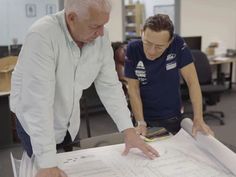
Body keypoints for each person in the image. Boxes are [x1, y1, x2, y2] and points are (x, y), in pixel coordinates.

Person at [10, 1, 158, 177]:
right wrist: (47, 164)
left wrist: (128, 130)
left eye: (104, 25)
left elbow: (110, 86)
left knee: (71, 166)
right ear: (71, 18)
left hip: (69, 118)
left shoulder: (100, 36)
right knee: (44, 167)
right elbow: (37, 104)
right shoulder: (42, 35)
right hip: (35, 122)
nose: (101, 32)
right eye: (95, 26)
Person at [124, 14, 214, 136]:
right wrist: (141, 122)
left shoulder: (177, 44)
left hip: (172, 115)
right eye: (147, 43)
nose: (151, 51)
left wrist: (198, 118)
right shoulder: (133, 49)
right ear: (142, 33)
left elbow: (192, 83)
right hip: (144, 116)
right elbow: (133, 89)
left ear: (170, 42)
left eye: (159, 47)